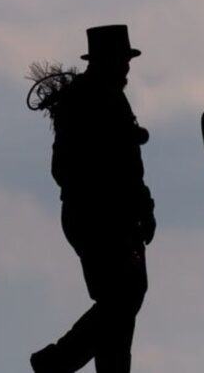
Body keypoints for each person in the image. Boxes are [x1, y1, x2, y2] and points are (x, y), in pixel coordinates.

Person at [31, 24, 156, 373]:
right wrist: (131, 205)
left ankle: (67, 362)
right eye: (123, 60)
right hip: (100, 219)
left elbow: (127, 167)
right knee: (123, 297)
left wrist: (142, 207)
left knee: (120, 300)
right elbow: (77, 167)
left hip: (104, 217)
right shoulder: (93, 98)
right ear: (109, 60)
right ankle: (57, 360)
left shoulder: (104, 96)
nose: (127, 68)